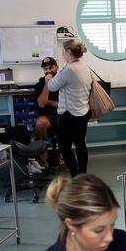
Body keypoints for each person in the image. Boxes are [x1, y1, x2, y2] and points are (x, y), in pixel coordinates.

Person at [47, 39, 92, 177]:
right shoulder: (83, 65)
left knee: (64, 147)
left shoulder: (69, 69)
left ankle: (75, 174)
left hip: (70, 114)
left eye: (63, 51)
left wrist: (48, 78)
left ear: (68, 52)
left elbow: (52, 86)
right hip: (84, 111)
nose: (62, 54)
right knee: (80, 144)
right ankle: (82, 174)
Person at [33, 56, 59, 168]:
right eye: (45, 69)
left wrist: (50, 102)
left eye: (51, 68)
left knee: (66, 124)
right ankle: (44, 151)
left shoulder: (63, 81)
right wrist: (47, 84)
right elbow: (42, 103)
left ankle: (63, 153)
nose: (48, 71)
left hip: (61, 113)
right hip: (47, 115)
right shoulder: (40, 84)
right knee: (39, 124)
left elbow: (61, 104)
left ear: (57, 67)